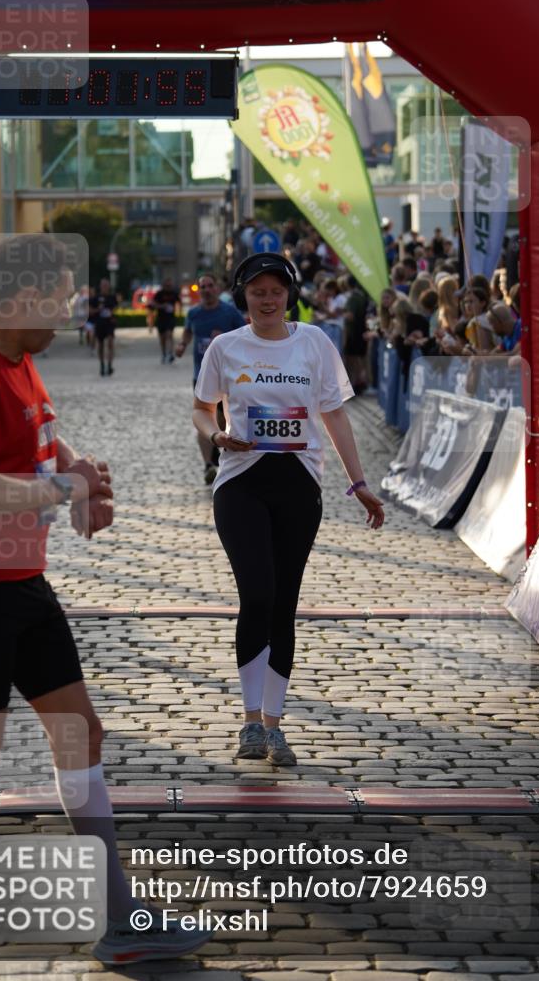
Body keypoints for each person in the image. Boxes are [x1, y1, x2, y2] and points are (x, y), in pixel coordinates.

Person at [0, 235, 210, 969]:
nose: (68, 314)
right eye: (59, 301)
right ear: (22, 298)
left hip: (21, 583)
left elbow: (41, 439)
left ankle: (121, 921)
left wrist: (79, 471)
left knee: (80, 736)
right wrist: (66, 488)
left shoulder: (17, 354)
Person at [192, 253, 384, 767]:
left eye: (276, 291)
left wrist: (359, 482)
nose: (267, 300)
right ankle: (250, 720)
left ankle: (274, 727)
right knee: (257, 594)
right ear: (244, 296)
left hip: (299, 487)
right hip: (240, 485)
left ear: (289, 295)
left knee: (283, 604)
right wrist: (216, 435)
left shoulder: (314, 342)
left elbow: (335, 414)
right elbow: (201, 408)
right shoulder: (225, 347)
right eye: (258, 292)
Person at [175, 273, 245, 484]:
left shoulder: (229, 312)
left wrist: (224, 340)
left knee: (222, 420)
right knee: (205, 417)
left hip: (228, 377)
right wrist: (182, 344)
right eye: (202, 286)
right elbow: (188, 332)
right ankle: (208, 465)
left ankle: (219, 452)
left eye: (209, 285)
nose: (206, 289)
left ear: (216, 288)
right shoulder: (194, 313)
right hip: (201, 375)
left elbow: (245, 335)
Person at [149, 277, 181, 364]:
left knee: (169, 335)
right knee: (162, 338)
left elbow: (179, 302)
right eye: (167, 285)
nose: (169, 286)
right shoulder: (159, 294)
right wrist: (162, 306)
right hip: (161, 318)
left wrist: (179, 312)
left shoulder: (174, 293)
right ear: (164, 285)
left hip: (170, 318)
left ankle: (170, 354)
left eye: (170, 285)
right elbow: (152, 303)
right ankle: (163, 354)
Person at [93, 278, 117, 376]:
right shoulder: (96, 298)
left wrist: (113, 314)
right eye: (103, 285)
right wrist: (98, 309)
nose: (105, 287)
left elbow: (116, 308)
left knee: (110, 342)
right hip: (99, 323)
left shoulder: (112, 297)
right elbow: (90, 310)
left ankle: (109, 365)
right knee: (101, 344)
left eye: (106, 285)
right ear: (100, 286)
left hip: (109, 323)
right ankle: (102, 365)